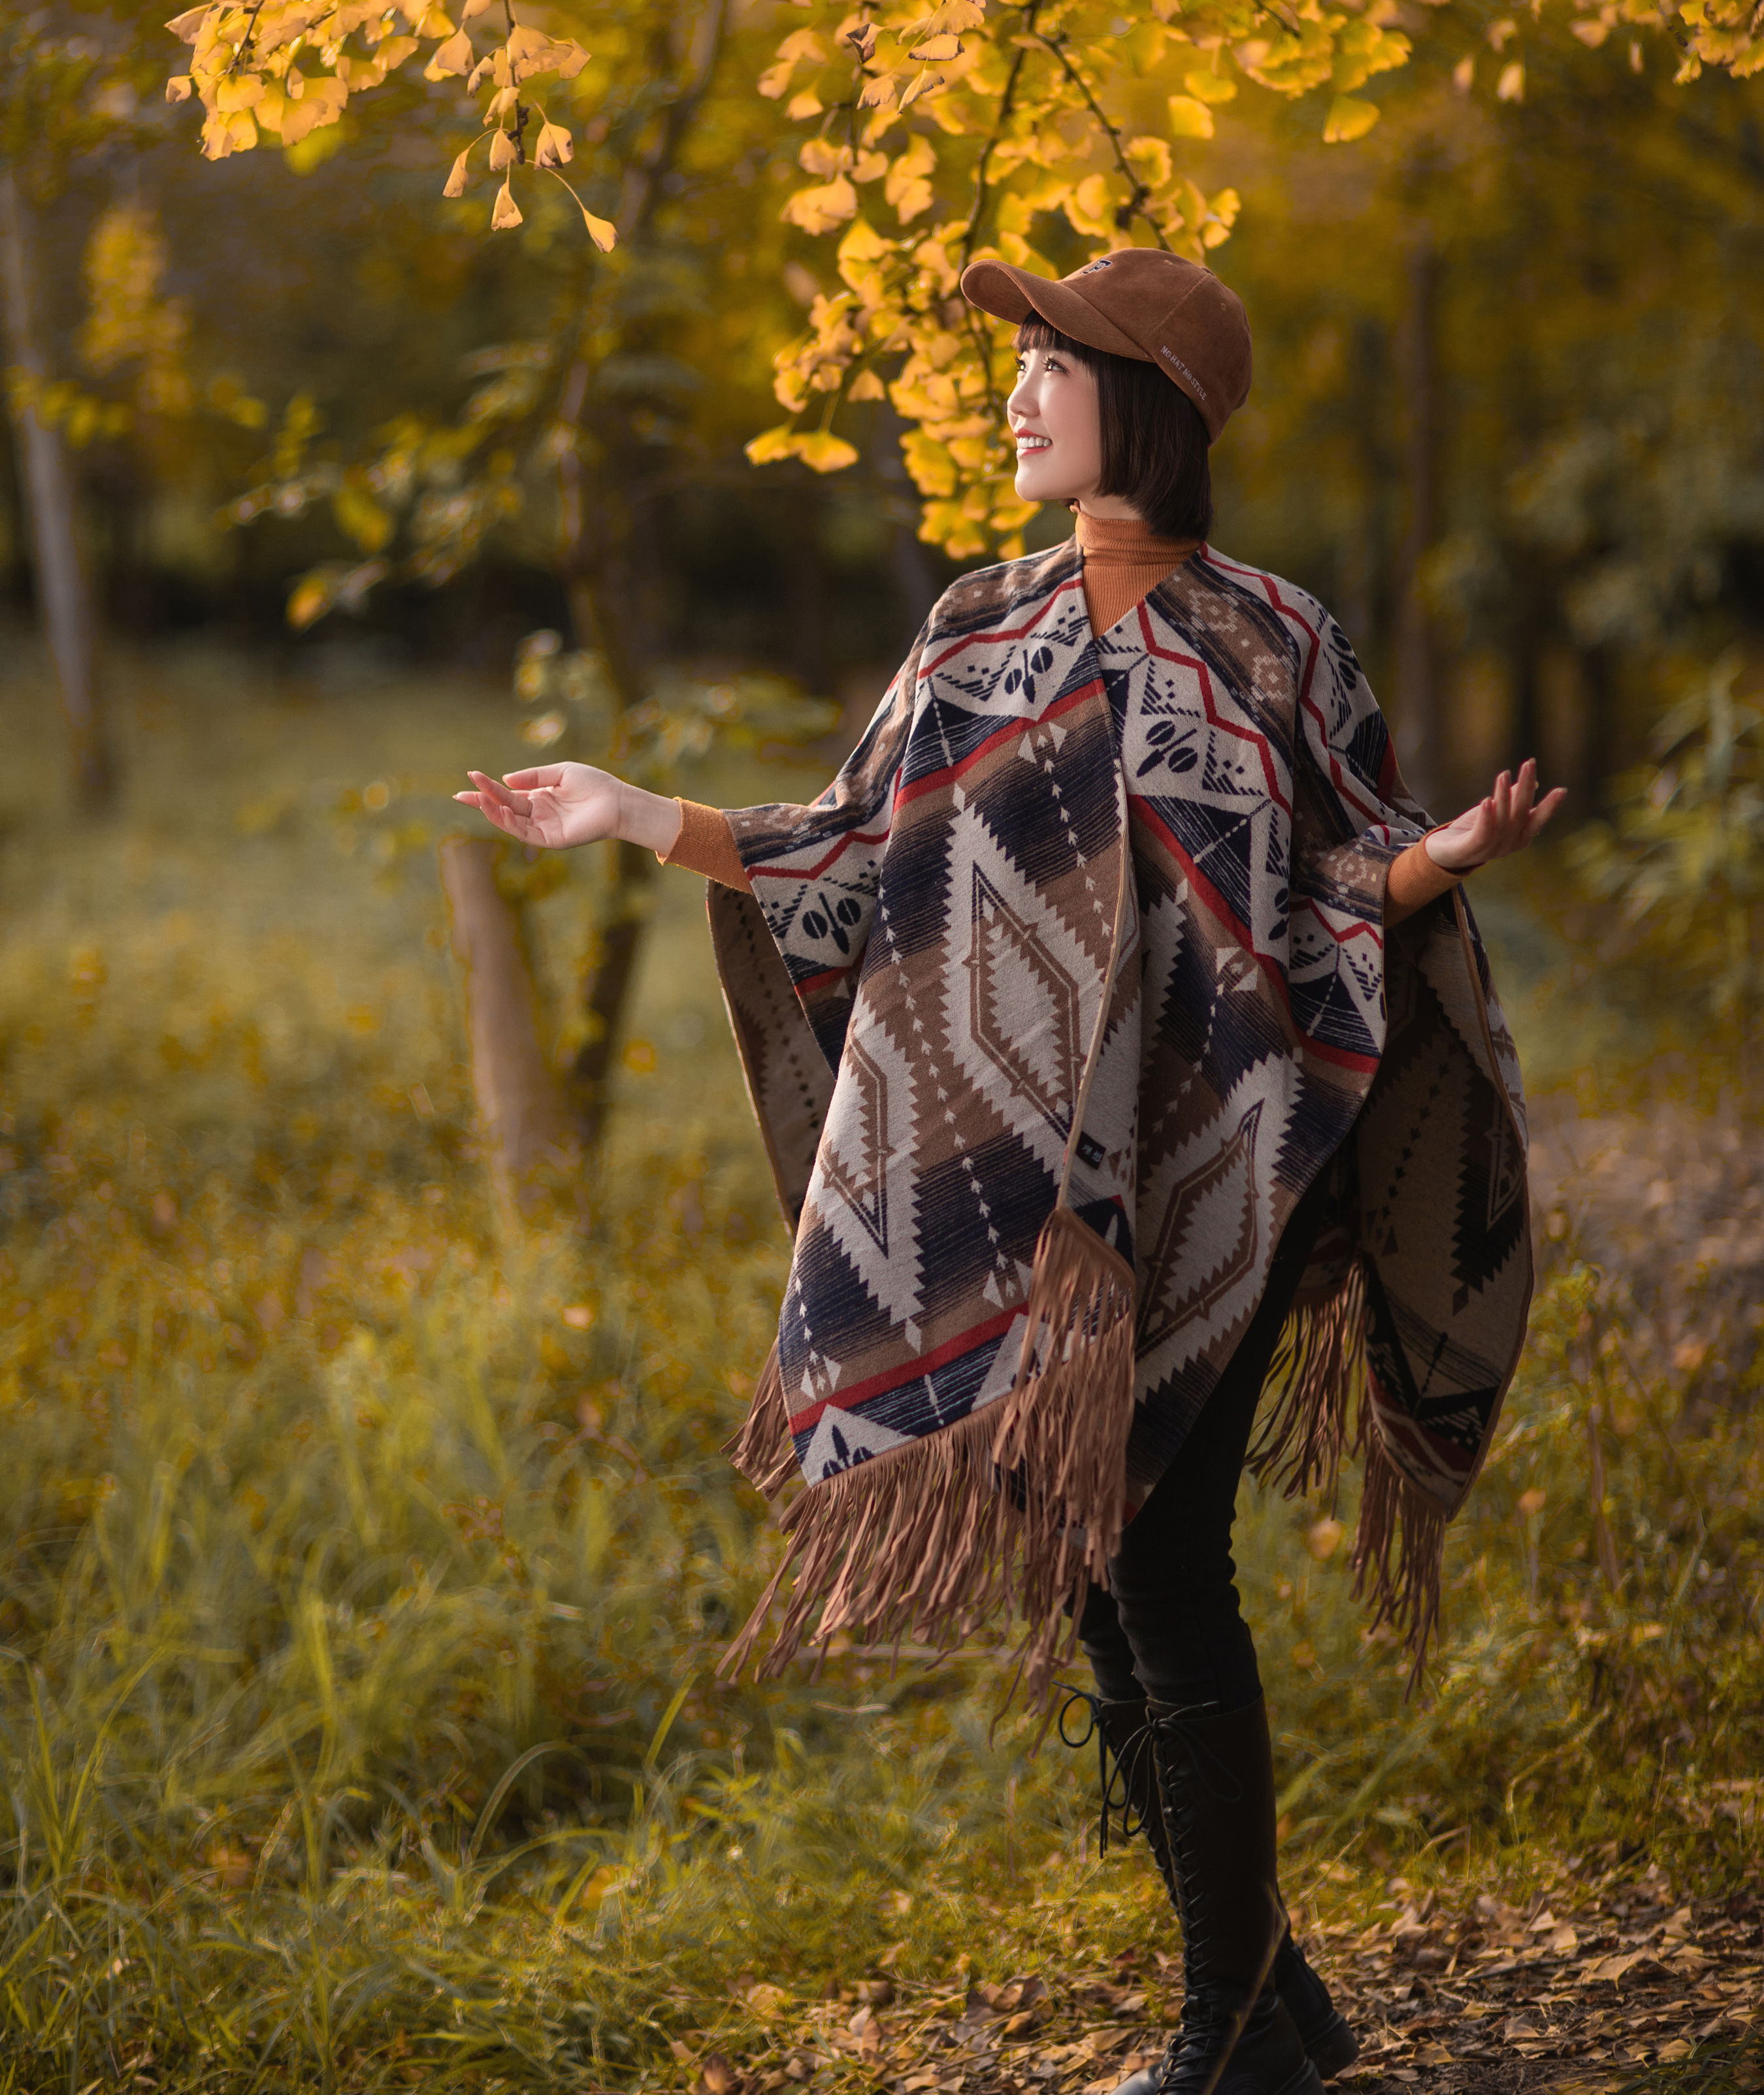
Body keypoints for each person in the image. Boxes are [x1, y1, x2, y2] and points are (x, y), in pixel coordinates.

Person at [458, 248, 1561, 2095]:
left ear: (1151, 404)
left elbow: (1327, 889)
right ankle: (1274, 2013)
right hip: (1032, 1198)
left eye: (1051, 363)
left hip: (1227, 1163)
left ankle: (1226, 2034)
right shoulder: (977, 626)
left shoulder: (1273, 635)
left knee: (1163, 1554)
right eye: (1018, 363)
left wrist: (1442, 852)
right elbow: (841, 854)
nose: (1013, 392)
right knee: (1105, 1569)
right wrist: (628, 811)